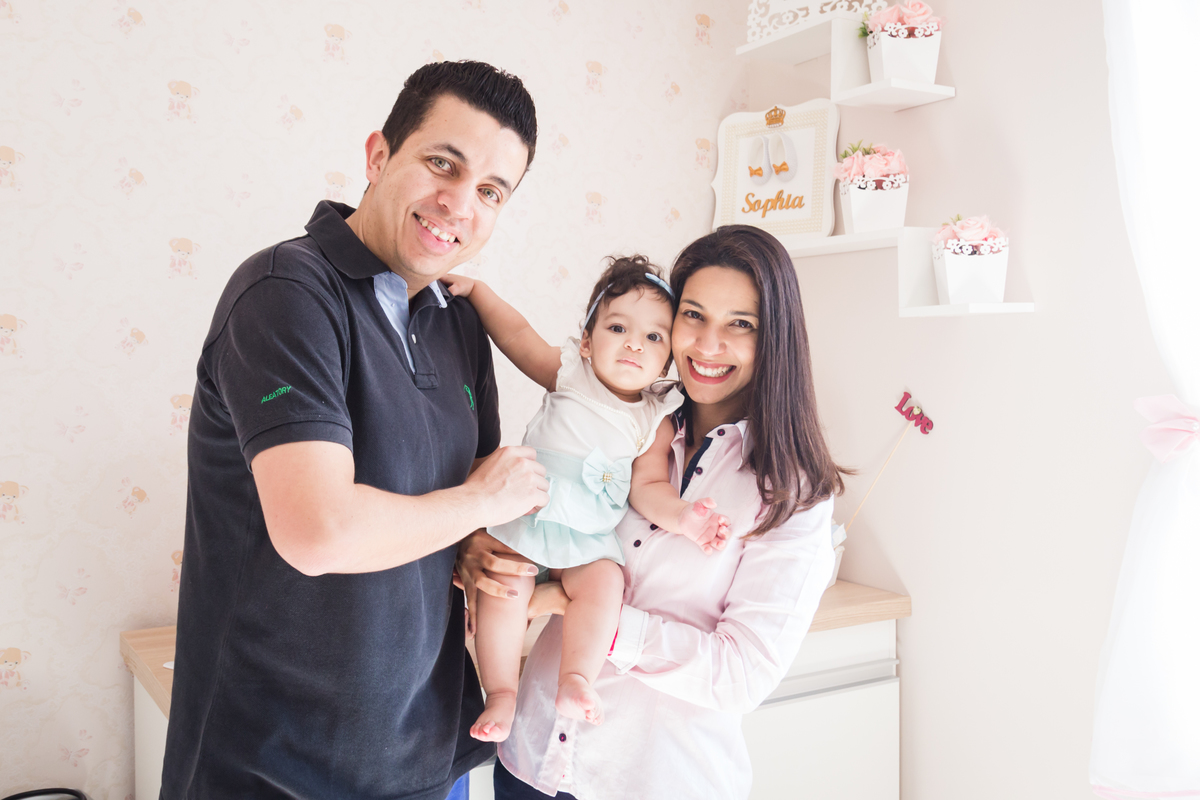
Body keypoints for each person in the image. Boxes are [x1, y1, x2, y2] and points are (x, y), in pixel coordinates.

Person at [161, 61, 550, 800]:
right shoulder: (284, 292)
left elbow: (457, 512)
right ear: (378, 156)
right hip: (274, 767)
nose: (459, 203)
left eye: (491, 191)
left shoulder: (460, 323)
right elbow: (320, 532)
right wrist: (482, 504)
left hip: (425, 756)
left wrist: (481, 549)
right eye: (443, 163)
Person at [457, 224, 847, 799]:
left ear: (775, 338)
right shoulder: (625, 414)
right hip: (530, 763)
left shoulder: (792, 491)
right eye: (693, 315)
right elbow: (545, 520)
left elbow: (740, 676)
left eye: (740, 324)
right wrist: (477, 548)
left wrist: (584, 612)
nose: (707, 345)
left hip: (653, 780)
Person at [442, 257, 730, 743]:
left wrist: (685, 518)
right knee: (503, 586)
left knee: (605, 585)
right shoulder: (571, 374)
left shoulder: (655, 418)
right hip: (528, 514)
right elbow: (517, 336)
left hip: (589, 534)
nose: (634, 344)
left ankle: (575, 679)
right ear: (587, 342)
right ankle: (501, 693)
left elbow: (648, 487)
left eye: (653, 337)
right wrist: (479, 292)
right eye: (618, 328)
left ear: (667, 362)